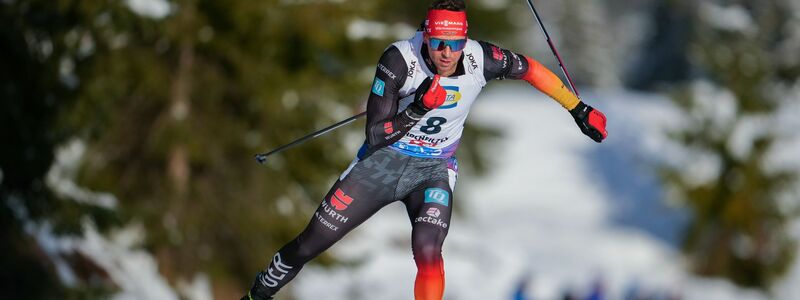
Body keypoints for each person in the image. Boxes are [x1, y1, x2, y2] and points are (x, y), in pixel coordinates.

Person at [243, 0, 607, 299]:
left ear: (465, 40)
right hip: (381, 164)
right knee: (308, 246)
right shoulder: (400, 60)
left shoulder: (483, 58)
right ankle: (257, 294)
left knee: (429, 253)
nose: (445, 53)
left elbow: (531, 69)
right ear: (426, 36)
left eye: (454, 44)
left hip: (433, 168)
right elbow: (375, 133)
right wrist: (418, 106)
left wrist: (577, 108)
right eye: (437, 43)